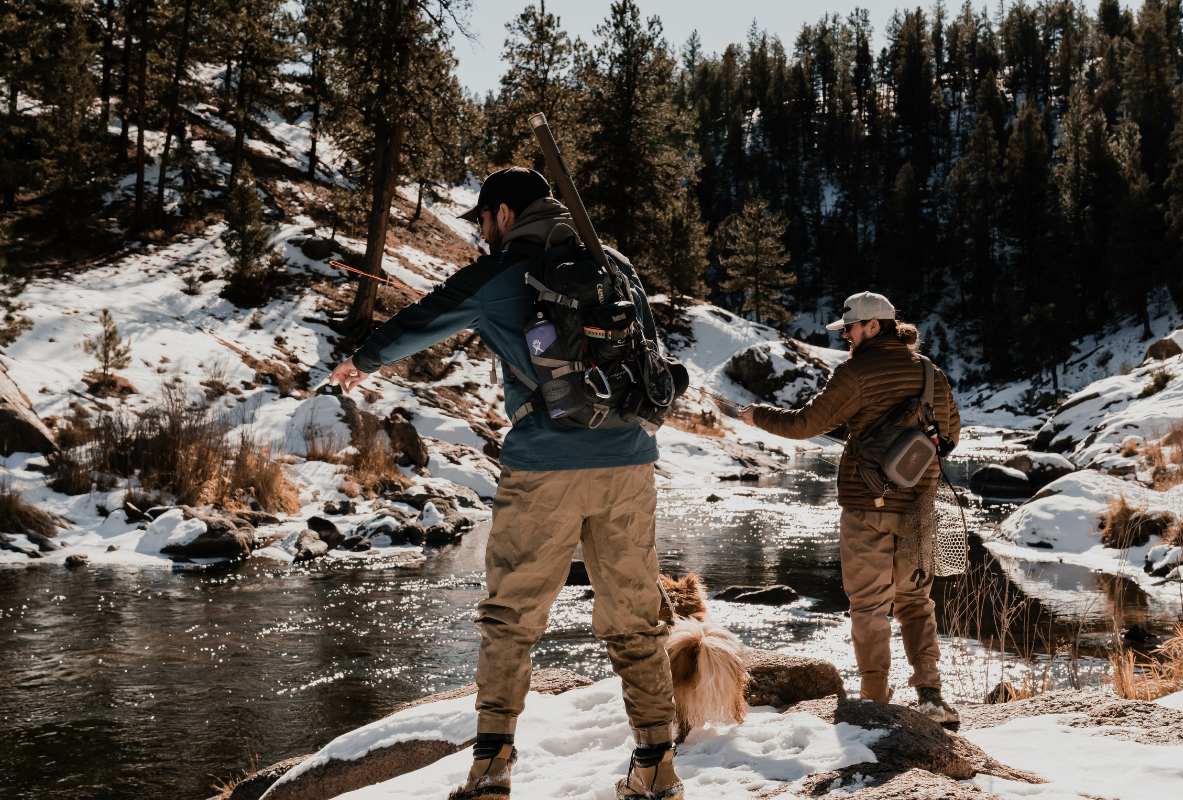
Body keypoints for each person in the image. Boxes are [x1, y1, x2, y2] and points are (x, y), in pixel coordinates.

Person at [327, 167, 683, 800]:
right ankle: (657, 766)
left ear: (506, 215)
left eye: (484, 219)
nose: (483, 232)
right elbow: (647, 346)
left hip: (543, 466)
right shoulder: (611, 260)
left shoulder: (495, 276)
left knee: (511, 619)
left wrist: (363, 360)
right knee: (634, 618)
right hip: (629, 461)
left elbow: (423, 319)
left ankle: (491, 771)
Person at [738, 291, 962, 725]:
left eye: (849, 328)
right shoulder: (929, 372)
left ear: (872, 326)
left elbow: (804, 424)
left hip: (868, 505)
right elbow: (950, 436)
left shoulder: (854, 371)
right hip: (919, 506)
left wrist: (758, 416)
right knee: (915, 601)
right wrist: (909, 463)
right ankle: (932, 697)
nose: (845, 336)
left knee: (869, 605)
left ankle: (875, 701)